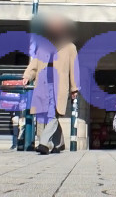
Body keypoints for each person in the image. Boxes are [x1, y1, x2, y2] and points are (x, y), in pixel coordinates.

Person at [23, 13, 80, 155]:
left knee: (53, 114)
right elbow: (34, 65)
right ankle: (59, 143)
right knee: (43, 114)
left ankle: (44, 143)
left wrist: (74, 88)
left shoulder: (70, 47)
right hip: (42, 84)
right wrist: (27, 76)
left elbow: (74, 69)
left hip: (59, 86)